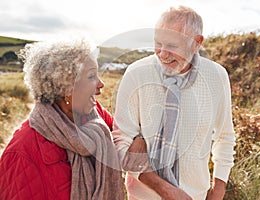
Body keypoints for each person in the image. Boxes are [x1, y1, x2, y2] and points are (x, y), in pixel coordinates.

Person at [112, 5, 236, 200]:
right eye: (157, 43)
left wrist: (218, 189)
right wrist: (165, 190)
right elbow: (120, 142)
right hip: (144, 197)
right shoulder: (137, 73)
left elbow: (225, 137)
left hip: (196, 195)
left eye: (172, 45)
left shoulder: (216, 76)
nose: (162, 53)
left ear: (196, 43)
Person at [0, 38, 125, 200]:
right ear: (65, 86)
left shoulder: (94, 115)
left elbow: (126, 139)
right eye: (91, 76)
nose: (101, 84)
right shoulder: (22, 153)